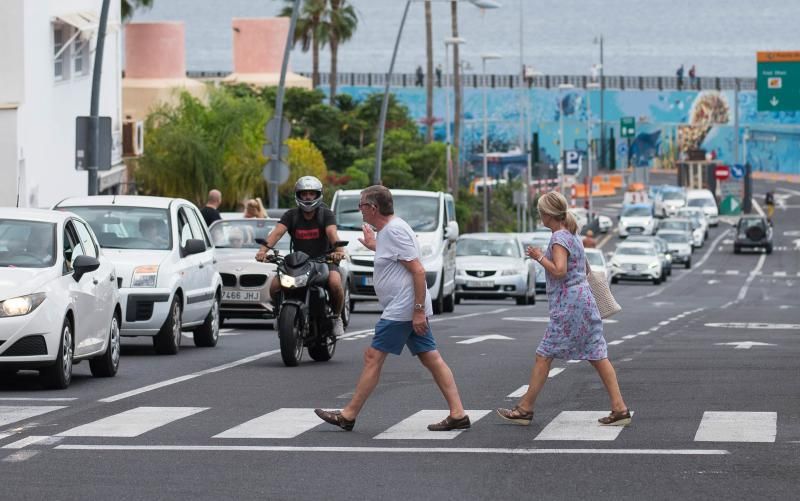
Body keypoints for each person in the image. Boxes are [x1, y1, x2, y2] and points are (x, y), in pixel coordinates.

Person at [314, 185, 470, 432]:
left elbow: (418, 271)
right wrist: (375, 245)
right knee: (431, 358)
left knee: (373, 357)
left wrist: (418, 310)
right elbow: (397, 257)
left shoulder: (394, 230)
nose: (360, 209)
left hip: (404, 308)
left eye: (362, 204)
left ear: (374, 208)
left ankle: (349, 414)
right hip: (406, 306)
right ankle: (458, 413)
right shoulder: (389, 231)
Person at [496, 191, 631, 427]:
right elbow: (585, 269)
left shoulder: (559, 238)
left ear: (548, 213)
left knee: (544, 355)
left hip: (569, 305)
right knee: (598, 355)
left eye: (540, 211)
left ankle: (525, 408)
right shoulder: (573, 236)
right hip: (584, 301)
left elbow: (559, 270)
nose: (539, 215)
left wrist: (539, 257)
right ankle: (619, 408)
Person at [255, 176, 347, 336]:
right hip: (298, 262)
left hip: (324, 259)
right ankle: (279, 314)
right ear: (298, 195)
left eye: (312, 193)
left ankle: (337, 318)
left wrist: (339, 252)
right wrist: (263, 251)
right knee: (275, 285)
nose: (308, 197)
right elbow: (276, 233)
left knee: (334, 282)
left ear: (318, 195)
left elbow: (332, 233)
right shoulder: (291, 215)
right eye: (304, 194)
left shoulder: (326, 214)